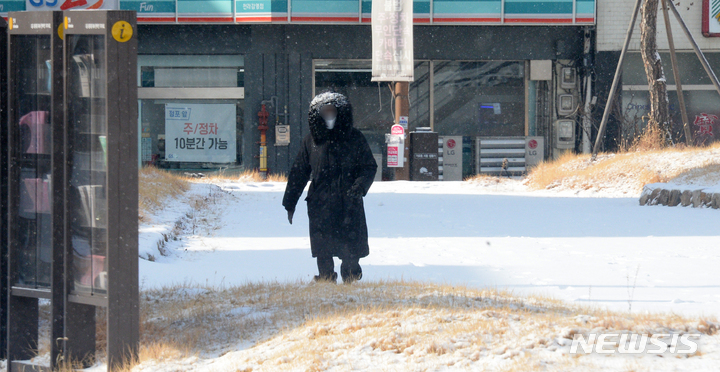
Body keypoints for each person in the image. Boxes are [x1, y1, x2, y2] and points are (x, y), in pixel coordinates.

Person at [282, 92, 377, 284]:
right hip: (320, 203)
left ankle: (350, 278)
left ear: (341, 112)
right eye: (324, 111)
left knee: (350, 248)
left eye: (332, 111)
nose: (329, 115)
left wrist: (359, 186)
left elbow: (369, 166)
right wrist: (290, 202)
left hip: (348, 201)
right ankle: (326, 280)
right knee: (323, 249)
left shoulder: (355, 138)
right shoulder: (311, 141)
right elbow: (299, 172)